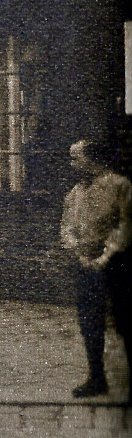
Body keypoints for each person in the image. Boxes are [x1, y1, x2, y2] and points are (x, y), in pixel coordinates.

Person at [61, 137, 132, 399]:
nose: (72, 164)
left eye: (76, 158)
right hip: (86, 264)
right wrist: (79, 252)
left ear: (93, 160)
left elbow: (125, 225)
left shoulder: (119, 186)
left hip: (117, 263)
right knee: (90, 320)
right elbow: (67, 227)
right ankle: (96, 377)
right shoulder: (75, 193)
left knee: (124, 319)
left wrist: (107, 255)